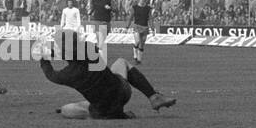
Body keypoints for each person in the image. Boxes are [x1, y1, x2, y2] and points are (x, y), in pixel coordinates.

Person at [38, 29, 175, 119]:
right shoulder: (90, 49)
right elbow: (73, 52)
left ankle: (112, 113)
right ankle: (153, 96)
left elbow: (51, 74)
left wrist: (43, 58)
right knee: (121, 62)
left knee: (66, 109)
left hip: (101, 110)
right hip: (121, 93)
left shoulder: (66, 74)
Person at [127, 0, 153, 65]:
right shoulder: (134, 7)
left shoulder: (148, 8)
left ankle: (139, 60)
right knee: (137, 41)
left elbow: (150, 18)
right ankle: (135, 54)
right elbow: (130, 17)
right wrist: (127, 26)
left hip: (145, 27)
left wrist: (152, 28)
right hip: (137, 26)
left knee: (142, 44)